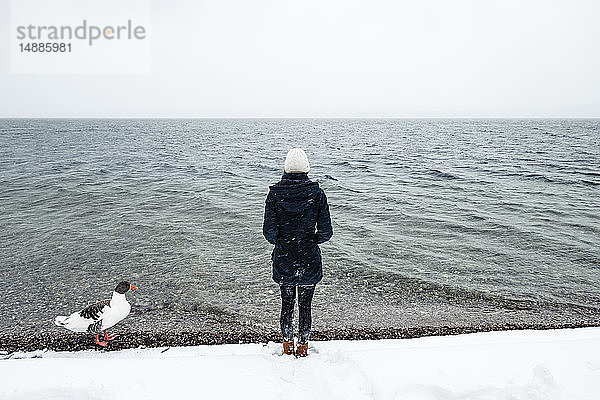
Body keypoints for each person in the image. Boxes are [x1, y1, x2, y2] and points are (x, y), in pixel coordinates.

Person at [263, 148, 333, 357]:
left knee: (287, 305)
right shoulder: (317, 194)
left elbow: (269, 233)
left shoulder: (275, 194)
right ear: (307, 169)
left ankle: (287, 346)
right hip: (308, 257)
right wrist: (310, 240)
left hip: (285, 256)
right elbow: (326, 232)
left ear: (286, 168)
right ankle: (302, 347)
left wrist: (285, 241)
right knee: (305, 306)